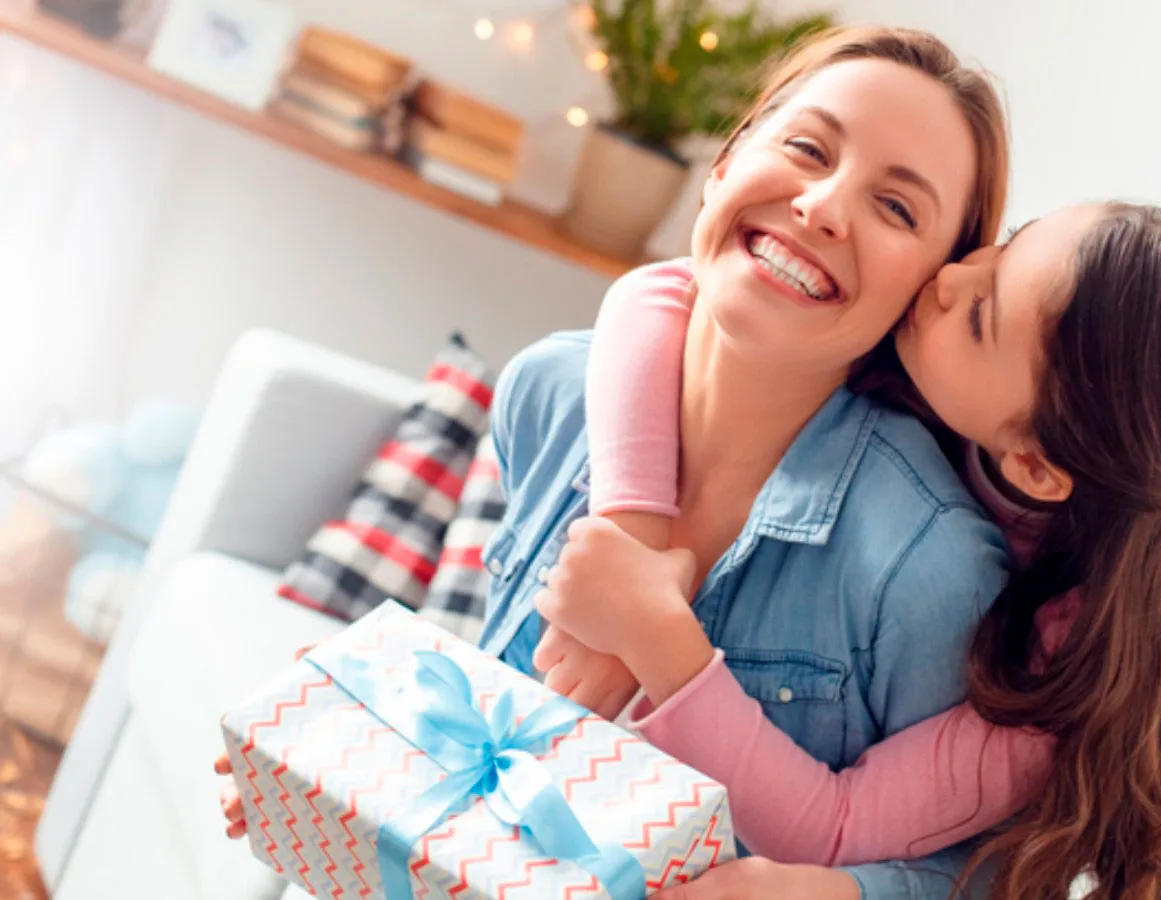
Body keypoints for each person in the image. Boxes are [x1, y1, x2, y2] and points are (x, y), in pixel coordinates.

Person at [221, 24, 1016, 900]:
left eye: (897, 208)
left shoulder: (929, 568)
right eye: (807, 148)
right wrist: (352, 746)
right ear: (725, 163)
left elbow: (979, 879)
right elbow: (505, 722)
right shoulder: (550, 393)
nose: (824, 206)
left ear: (927, 295)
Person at [536, 201, 1161, 900]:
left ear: (1034, 466)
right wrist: (633, 532)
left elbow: (836, 827)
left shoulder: (1067, 659)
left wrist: (655, 635)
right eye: (1004, 248)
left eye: (982, 316)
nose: (952, 278)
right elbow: (667, 289)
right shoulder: (935, 353)